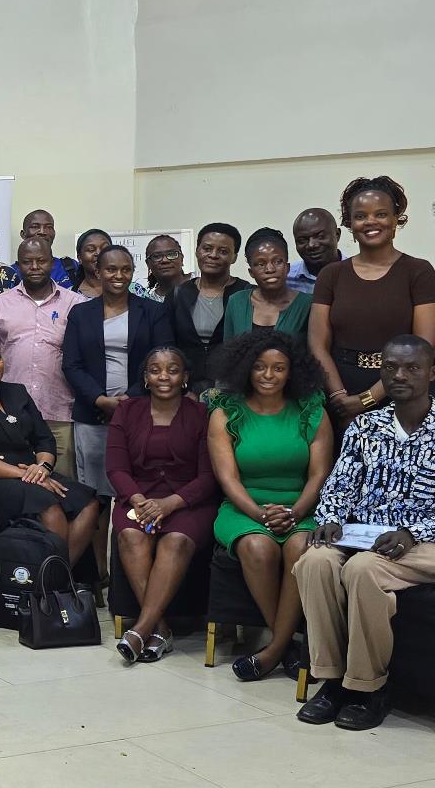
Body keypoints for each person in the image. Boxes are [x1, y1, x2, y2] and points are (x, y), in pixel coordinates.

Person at [296, 335, 435, 730]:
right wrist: (332, 517)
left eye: (411, 368)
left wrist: (412, 531)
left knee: (363, 571)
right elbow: (340, 485)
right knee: (316, 561)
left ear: (431, 373)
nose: (399, 375)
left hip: (426, 542)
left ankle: (368, 687)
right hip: (367, 535)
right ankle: (331, 681)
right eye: (390, 367)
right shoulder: (364, 427)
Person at [207, 330, 333, 682]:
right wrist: (260, 514)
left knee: (301, 546)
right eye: (260, 367)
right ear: (246, 369)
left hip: (302, 506)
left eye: (279, 368)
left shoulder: (311, 409)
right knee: (258, 548)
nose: (268, 375)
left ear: (292, 372)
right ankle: (285, 644)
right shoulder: (226, 413)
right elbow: (228, 480)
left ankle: (274, 649)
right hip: (243, 507)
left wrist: (294, 513)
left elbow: (320, 475)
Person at [106, 346, 218, 664]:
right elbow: (116, 468)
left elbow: (209, 476)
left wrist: (169, 504)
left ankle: (141, 628)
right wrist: (141, 501)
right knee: (129, 535)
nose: (163, 376)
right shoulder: (127, 412)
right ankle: (160, 630)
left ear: (185, 378)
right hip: (137, 497)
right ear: (145, 378)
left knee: (176, 540)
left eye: (172, 369)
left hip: (188, 502)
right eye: (155, 369)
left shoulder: (201, 415)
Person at [0, 335, 100, 564]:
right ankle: (54, 586)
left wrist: (42, 468)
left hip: (33, 472)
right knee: (49, 506)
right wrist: (26, 475)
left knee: (88, 503)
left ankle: (56, 577)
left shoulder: (17, 392)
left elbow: (44, 439)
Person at [62, 246, 174, 536]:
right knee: (95, 497)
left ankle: (127, 570)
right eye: (111, 269)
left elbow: (162, 357)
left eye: (126, 269)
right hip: (93, 414)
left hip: (142, 412)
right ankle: (97, 573)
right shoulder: (80, 313)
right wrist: (101, 400)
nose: (118, 275)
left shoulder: (152, 311)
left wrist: (131, 398)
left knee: (137, 492)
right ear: (98, 272)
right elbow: (72, 365)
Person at [311, 176, 435, 424]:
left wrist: (366, 399)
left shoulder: (419, 271)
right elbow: (317, 344)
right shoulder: (331, 274)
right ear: (349, 223)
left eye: (380, 214)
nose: (370, 222)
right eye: (360, 216)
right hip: (340, 391)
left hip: (404, 391)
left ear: (395, 218)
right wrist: (339, 397)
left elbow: (423, 347)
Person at [0, 238, 83, 477]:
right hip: (10, 414)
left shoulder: (76, 304)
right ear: (18, 265)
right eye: (28, 262)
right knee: (17, 486)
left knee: (62, 487)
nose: (35, 266)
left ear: (52, 262)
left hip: (59, 411)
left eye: (41, 261)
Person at [170, 223, 251, 391]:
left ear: (234, 257)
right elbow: (169, 345)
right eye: (207, 248)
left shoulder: (247, 293)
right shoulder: (178, 294)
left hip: (232, 390)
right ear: (197, 251)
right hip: (184, 391)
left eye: (223, 251)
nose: (213, 255)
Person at [224, 228, 311, 340]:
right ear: (251, 272)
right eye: (261, 264)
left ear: (287, 267)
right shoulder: (236, 302)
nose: (270, 269)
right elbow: (228, 351)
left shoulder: (307, 304)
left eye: (277, 261)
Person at [12, 209, 82, 288]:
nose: (42, 232)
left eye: (48, 227)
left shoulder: (71, 266)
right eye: (35, 227)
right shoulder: (10, 273)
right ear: (23, 234)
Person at [289, 208, 343, 293]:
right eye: (302, 240)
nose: (311, 245)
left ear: (337, 235)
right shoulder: (286, 279)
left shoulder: (358, 273)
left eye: (320, 236)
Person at [144, 235, 190, 302]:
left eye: (172, 254)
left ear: (181, 259)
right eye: (157, 256)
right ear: (148, 264)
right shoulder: (151, 304)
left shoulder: (202, 280)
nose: (165, 260)